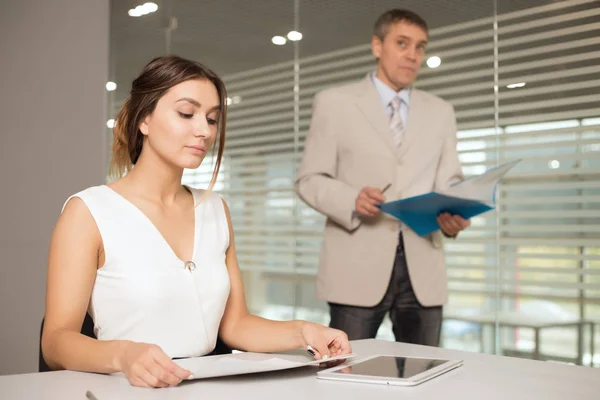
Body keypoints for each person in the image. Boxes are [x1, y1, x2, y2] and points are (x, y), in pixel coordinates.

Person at [41, 55, 350, 388]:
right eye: (186, 113)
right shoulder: (87, 212)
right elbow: (56, 341)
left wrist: (305, 331)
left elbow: (235, 325)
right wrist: (123, 354)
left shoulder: (216, 209)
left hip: (207, 387)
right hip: (126, 389)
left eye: (212, 119)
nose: (204, 131)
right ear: (143, 119)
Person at [295, 9, 470, 346]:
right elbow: (309, 179)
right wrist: (351, 199)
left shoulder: (441, 111)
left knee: (426, 375)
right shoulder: (335, 103)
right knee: (347, 374)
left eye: (420, 47)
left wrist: (454, 212)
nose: (412, 55)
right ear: (377, 46)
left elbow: (449, 180)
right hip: (356, 267)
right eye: (402, 43)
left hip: (424, 267)